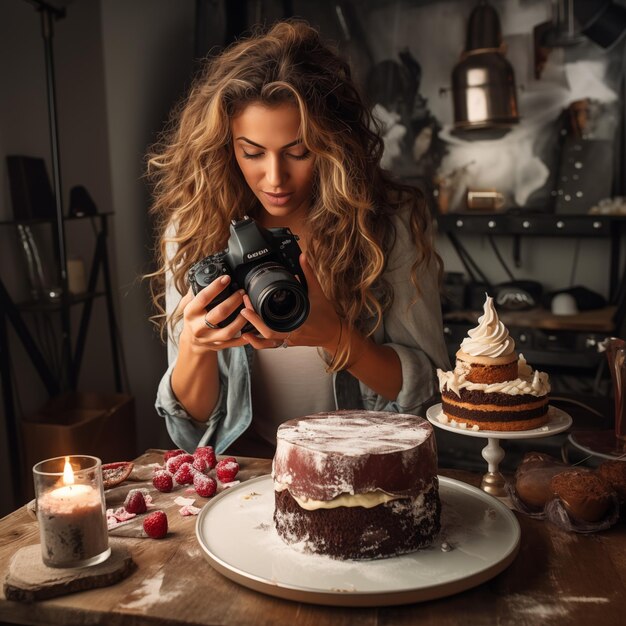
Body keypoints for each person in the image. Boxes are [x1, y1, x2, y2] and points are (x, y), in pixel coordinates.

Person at [147, 20, 450, 457]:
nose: (274, 178)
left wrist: (336, 336)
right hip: (248, 476)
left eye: (299, 151)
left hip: (360, 466)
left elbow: (431, 395)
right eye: (251, 152)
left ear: (335, 146)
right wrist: (196, 345)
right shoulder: (195, 227)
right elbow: (190, 435)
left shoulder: (386, 223)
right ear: (224, 145)